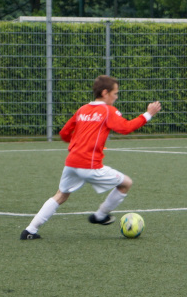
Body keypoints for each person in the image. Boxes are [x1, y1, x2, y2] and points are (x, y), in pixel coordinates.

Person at [20, 75, 162, 240]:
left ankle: (30, 230)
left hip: (72, 162)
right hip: (89, 164)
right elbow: (126, 128)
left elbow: (64, 133)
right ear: (105, 93)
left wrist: (76, 144)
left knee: (61, 195)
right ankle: (101, 215)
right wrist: (148, 114)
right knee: (126, 183)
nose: (116, 97)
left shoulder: (83, 109)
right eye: (115, 93)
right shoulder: (108, 111)